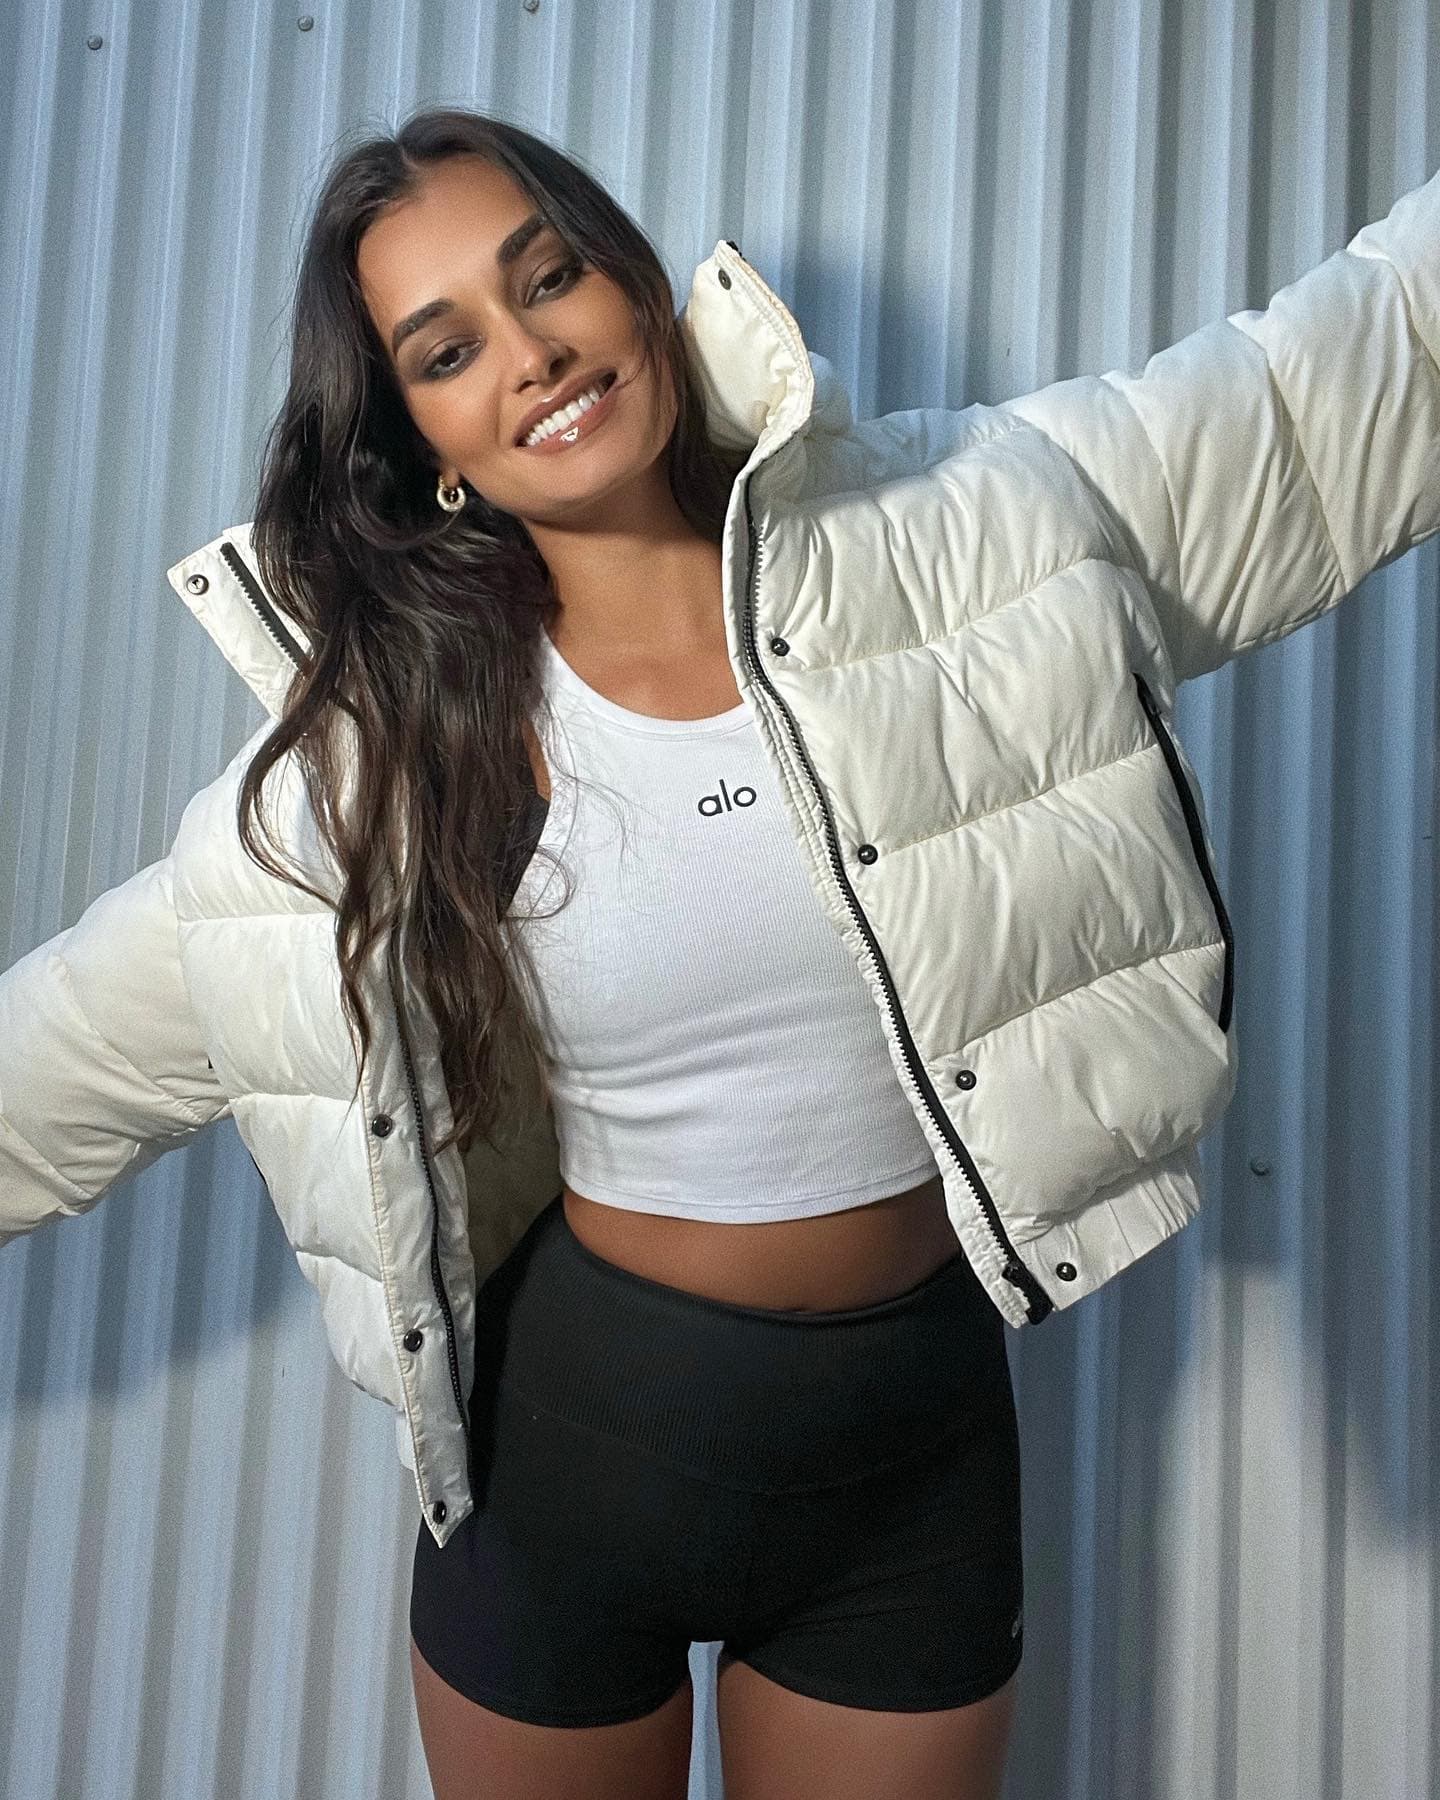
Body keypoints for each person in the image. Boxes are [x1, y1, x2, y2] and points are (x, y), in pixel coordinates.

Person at [1, 105, 1436, 1800]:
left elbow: (1351, 375)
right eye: (451, 348)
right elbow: (63, 1056)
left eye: (552, 279)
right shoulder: (384, 769)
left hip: (911, 1466)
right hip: (571, 1467)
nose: (533, 354)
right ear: (427, 440)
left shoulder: (987, 527)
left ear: (636, 286)